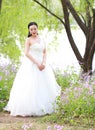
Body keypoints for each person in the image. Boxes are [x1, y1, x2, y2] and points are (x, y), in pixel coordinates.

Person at [4, 22, 61, 117]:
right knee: (31, 85)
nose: (33, 31)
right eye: (31, 29)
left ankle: (44, 107)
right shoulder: (28, 40)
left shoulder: (42, 39)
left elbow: (44, 52)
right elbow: (26, 53)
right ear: (29, 31)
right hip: (31, 64)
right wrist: (37, 63)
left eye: (35, 29)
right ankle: (29, 108)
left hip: (42, 65)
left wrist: (43, 63)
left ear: (37, 29)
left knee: (43, 85)